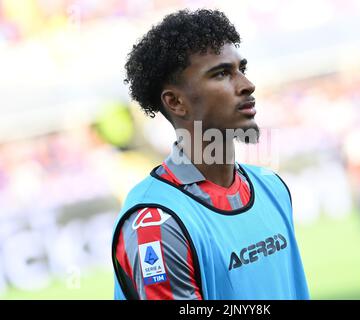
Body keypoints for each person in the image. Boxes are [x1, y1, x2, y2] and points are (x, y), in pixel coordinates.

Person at [112, 9, 309, 300]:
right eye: (221, 74)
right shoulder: (156, 221)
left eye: (242, 69)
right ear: (176, 102)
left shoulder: (272, 186)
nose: (246, 85)